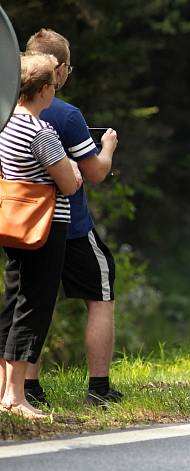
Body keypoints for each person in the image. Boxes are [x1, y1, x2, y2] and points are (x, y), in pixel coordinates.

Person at [24, 29, 121, 406]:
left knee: (30, 302)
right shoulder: (66, 114)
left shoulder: (9, 111)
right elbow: (94, 172)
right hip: (72, 227)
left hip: (25, 226)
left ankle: (27, 387)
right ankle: (98, 388)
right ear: (59, 70)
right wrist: (108, 147)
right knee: (100, 295)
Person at [0, 53, 82, 418]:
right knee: (33, 307)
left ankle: (3, 390)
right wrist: (75, 169)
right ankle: (16, 397)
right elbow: (68, 183)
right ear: (46, 89)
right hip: (44, 227)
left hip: (13, 222)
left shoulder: (5, 125)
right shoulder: (41, 132)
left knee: (12, 302)